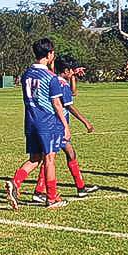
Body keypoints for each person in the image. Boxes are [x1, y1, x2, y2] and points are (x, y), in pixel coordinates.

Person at [6, 38, 70, 208]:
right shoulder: (51, 78)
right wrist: (65, 125)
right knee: (49, 159)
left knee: (35, 158)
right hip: (47, 122)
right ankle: (51, 197)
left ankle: (15, 182)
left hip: (30, 121)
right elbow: (57, 104)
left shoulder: (26, 74)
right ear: (49, 54)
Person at [34, 57, 96, 201]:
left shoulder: (55, 79)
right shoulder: (61, 84)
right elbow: (69, 105)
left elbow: (73, 93)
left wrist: (73, 77)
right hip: (57, 125)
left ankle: (80, 187)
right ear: (66, 71)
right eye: (72, 70)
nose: (73, 72)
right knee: (57, 156)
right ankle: (40, 191)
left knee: (53, 156)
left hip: (53, 124)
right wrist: (85, 122)